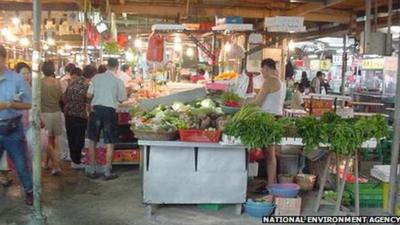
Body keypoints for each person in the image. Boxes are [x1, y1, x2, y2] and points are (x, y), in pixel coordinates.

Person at [0, 44, 33, 205]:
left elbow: (29, 104)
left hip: (13, 128)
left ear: (4, 59)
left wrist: (8, 104)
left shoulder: (16, 79)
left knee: (20, 164)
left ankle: (29, 191)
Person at [86, 58, 127, 180]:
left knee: (93, 140)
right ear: (117, 67)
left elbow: (88, 95)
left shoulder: (96, 78)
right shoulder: (117, 81)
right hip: (109, 112)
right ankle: (107, 172)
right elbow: (122, 98)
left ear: (107, 65)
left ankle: (92, 170)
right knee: (109, 142)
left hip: (96, 110)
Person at [253, 58, 286, 185]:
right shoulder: (281, 81)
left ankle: (272, 184)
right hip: (275, 118)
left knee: (269, 153)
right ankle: (271, 183)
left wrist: (241, 104)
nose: (262, 74)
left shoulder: (270, 80)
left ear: (266, 68)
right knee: (269, 153)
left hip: (269, 119)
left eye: (263, 71)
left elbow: (258, 102)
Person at [64, 65, 97, 169]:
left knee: (71, 137)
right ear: (93, 75)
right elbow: (89, 100)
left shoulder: (73, 82)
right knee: (79, 138)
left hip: (68, 113)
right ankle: (77, 161)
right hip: (79, 114)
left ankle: (74, 159)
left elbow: (64, 96)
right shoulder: (87, 84)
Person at [41, 61, 63, 176]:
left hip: (45, 114)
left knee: (47, 142)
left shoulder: (39, 83)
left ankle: (56, 165)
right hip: (57, 113)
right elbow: (61, 97)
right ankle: (45, 162)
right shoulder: (58, 82)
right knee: (54, 141)